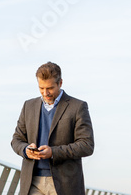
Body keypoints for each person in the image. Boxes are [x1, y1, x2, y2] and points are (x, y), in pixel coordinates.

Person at [11, 62, 94, 195]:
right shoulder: (28, 106)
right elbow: (16, 140)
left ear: (60, 83)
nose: (45, 93)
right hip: (32, 182)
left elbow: (86, 145)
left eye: (50, 88)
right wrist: (26, 150)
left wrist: (53, 152)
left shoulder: (78, 107)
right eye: (41, 88)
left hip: (65, 185)